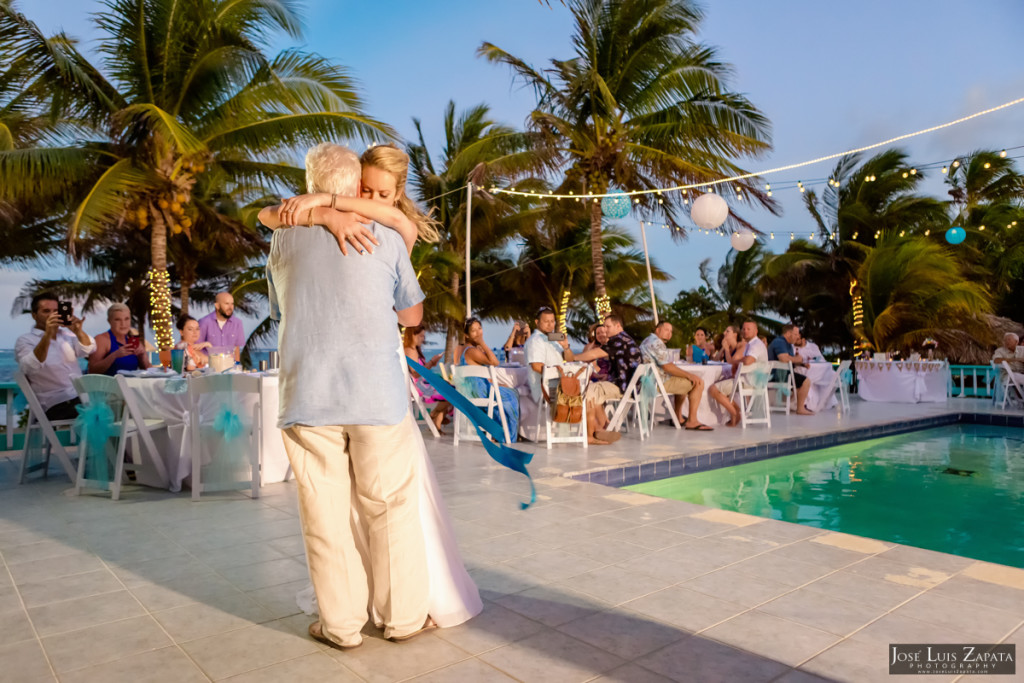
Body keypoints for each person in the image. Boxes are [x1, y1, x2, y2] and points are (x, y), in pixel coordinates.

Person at [268, 143, 479, 649]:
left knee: (325, 515)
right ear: (353, 186)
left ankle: (340, 626)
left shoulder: (281, 240)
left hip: (309, 395)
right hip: (375, 395)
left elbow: (279, 312)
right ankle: (402, 618)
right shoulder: (385, 237)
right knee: (389, 507)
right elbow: (411, 317)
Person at [15, 293, 95, 420]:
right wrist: (48, 335)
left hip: (79, 397)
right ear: (34, 315)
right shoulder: (25, 340)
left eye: (56, 311)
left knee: (118, 404)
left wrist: (78, 331)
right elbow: (29, 366)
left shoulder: (66, 335)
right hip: (56, 403)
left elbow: (89, 349)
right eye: (46, 311)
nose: (52, 315)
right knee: (106, 412)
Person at [640, 321, 719, 430]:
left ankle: (678, 417)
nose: (669, 333)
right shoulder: (656, 343)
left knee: (682, 378)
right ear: (657, 330)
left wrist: (685, 375)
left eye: (671, 331)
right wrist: (690, 375)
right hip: (657, 382)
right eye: (666, 330)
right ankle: (692, 421)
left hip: (649, 380)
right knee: (698, 382)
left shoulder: (647, 340)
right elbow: (667, 367)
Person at [456, 318, 520, 440]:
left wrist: (498, 384)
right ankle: (508, 436)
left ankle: (498, 432)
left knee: (505, 394)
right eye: (473, 331)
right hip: (481, 393)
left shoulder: (468, 351)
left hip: (474, 391)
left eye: (479, 329)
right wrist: (483, 343)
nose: (478, 332)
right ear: (467, 335)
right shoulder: (472, 351)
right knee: (513, 394)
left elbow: (478, 378)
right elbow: (494, 362)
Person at [403, 325, 451, 433]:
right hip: (417, 386)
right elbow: (416, 374)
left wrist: (432, 364)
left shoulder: (414, 350)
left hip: (420, 384)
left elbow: (420, 371)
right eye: (421, 336)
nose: (423, 339)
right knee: (450, 390)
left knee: (449, 387)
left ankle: (436, 424)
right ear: (412, 335)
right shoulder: (409, 350)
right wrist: (432, 362)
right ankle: (434, 415)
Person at [88, 303, 151, 375]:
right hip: (110, 385)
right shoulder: (102, 339)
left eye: (126, 319)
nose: (123, 324)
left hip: (130, 385)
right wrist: (114, 356)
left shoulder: (133, 340)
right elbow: (92, 370)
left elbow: (148, 371)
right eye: (118, 320)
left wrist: (143, 355)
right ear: (109, 321)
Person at [767, 323, 814, 416]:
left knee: (801, 382)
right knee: (806, 381)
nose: (798, 337)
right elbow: (784, 359)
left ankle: (797, 405)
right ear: (788, 334)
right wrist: (798, 359)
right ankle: (800, 408)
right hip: (776, 375)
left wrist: (802, 364)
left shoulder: (788, 344)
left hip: (784, 373)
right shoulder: (779, 342)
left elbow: (790, 360)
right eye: (796, 334)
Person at [197, 292, 246, 362]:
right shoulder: (204, 322)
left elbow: (236, 349)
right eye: (226, 304)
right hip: (209, 369)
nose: (230, 307)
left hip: (229, 368)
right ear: (217, 306)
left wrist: (237, 368)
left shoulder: (237, 323)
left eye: (232, 304)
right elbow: (197, 348)